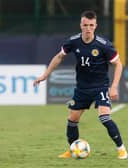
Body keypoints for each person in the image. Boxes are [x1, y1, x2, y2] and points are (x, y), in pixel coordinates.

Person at [33, 10, 128, 159]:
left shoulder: (104, 45)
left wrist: (114, 86)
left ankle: (121, 149)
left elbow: (118, 64)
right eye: (85, 25)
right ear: (80, 25)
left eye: (91, 25)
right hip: (82, 88)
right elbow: (59, 57)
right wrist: (45, 75)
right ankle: (73, 150)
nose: (88, 28)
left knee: (104, 117)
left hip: (100, 87)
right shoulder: (73, 41)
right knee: (72, 120)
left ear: (95, 25)